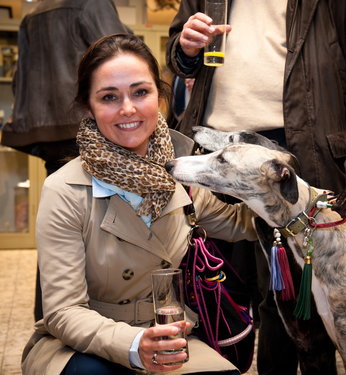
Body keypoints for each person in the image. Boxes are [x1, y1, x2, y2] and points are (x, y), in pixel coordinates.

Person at [166, 0, 346, 374]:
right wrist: (185, 49)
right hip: (218, 158)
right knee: (238, 301)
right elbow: (179, 51)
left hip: (301, 152)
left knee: (314, 310)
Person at [21, 33, 257, 375]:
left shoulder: (181, 172)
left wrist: (296, 197)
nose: (128, 109)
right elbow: (63, 311)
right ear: (89, 107)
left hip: (172, 334)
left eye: (140, 92)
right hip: (83, 341)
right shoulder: (64, 189)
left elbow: (241, 224)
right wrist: (134, 345)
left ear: (159, 97)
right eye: (109, 97)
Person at [0, 0, 131, 322]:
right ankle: (92, 317)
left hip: (47, 129)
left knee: (61, 226)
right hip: (85, 127)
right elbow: (118, 57)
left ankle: (51, 314)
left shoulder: (33, 14)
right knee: (102, 227)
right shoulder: (90, 3)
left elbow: (19, 79)